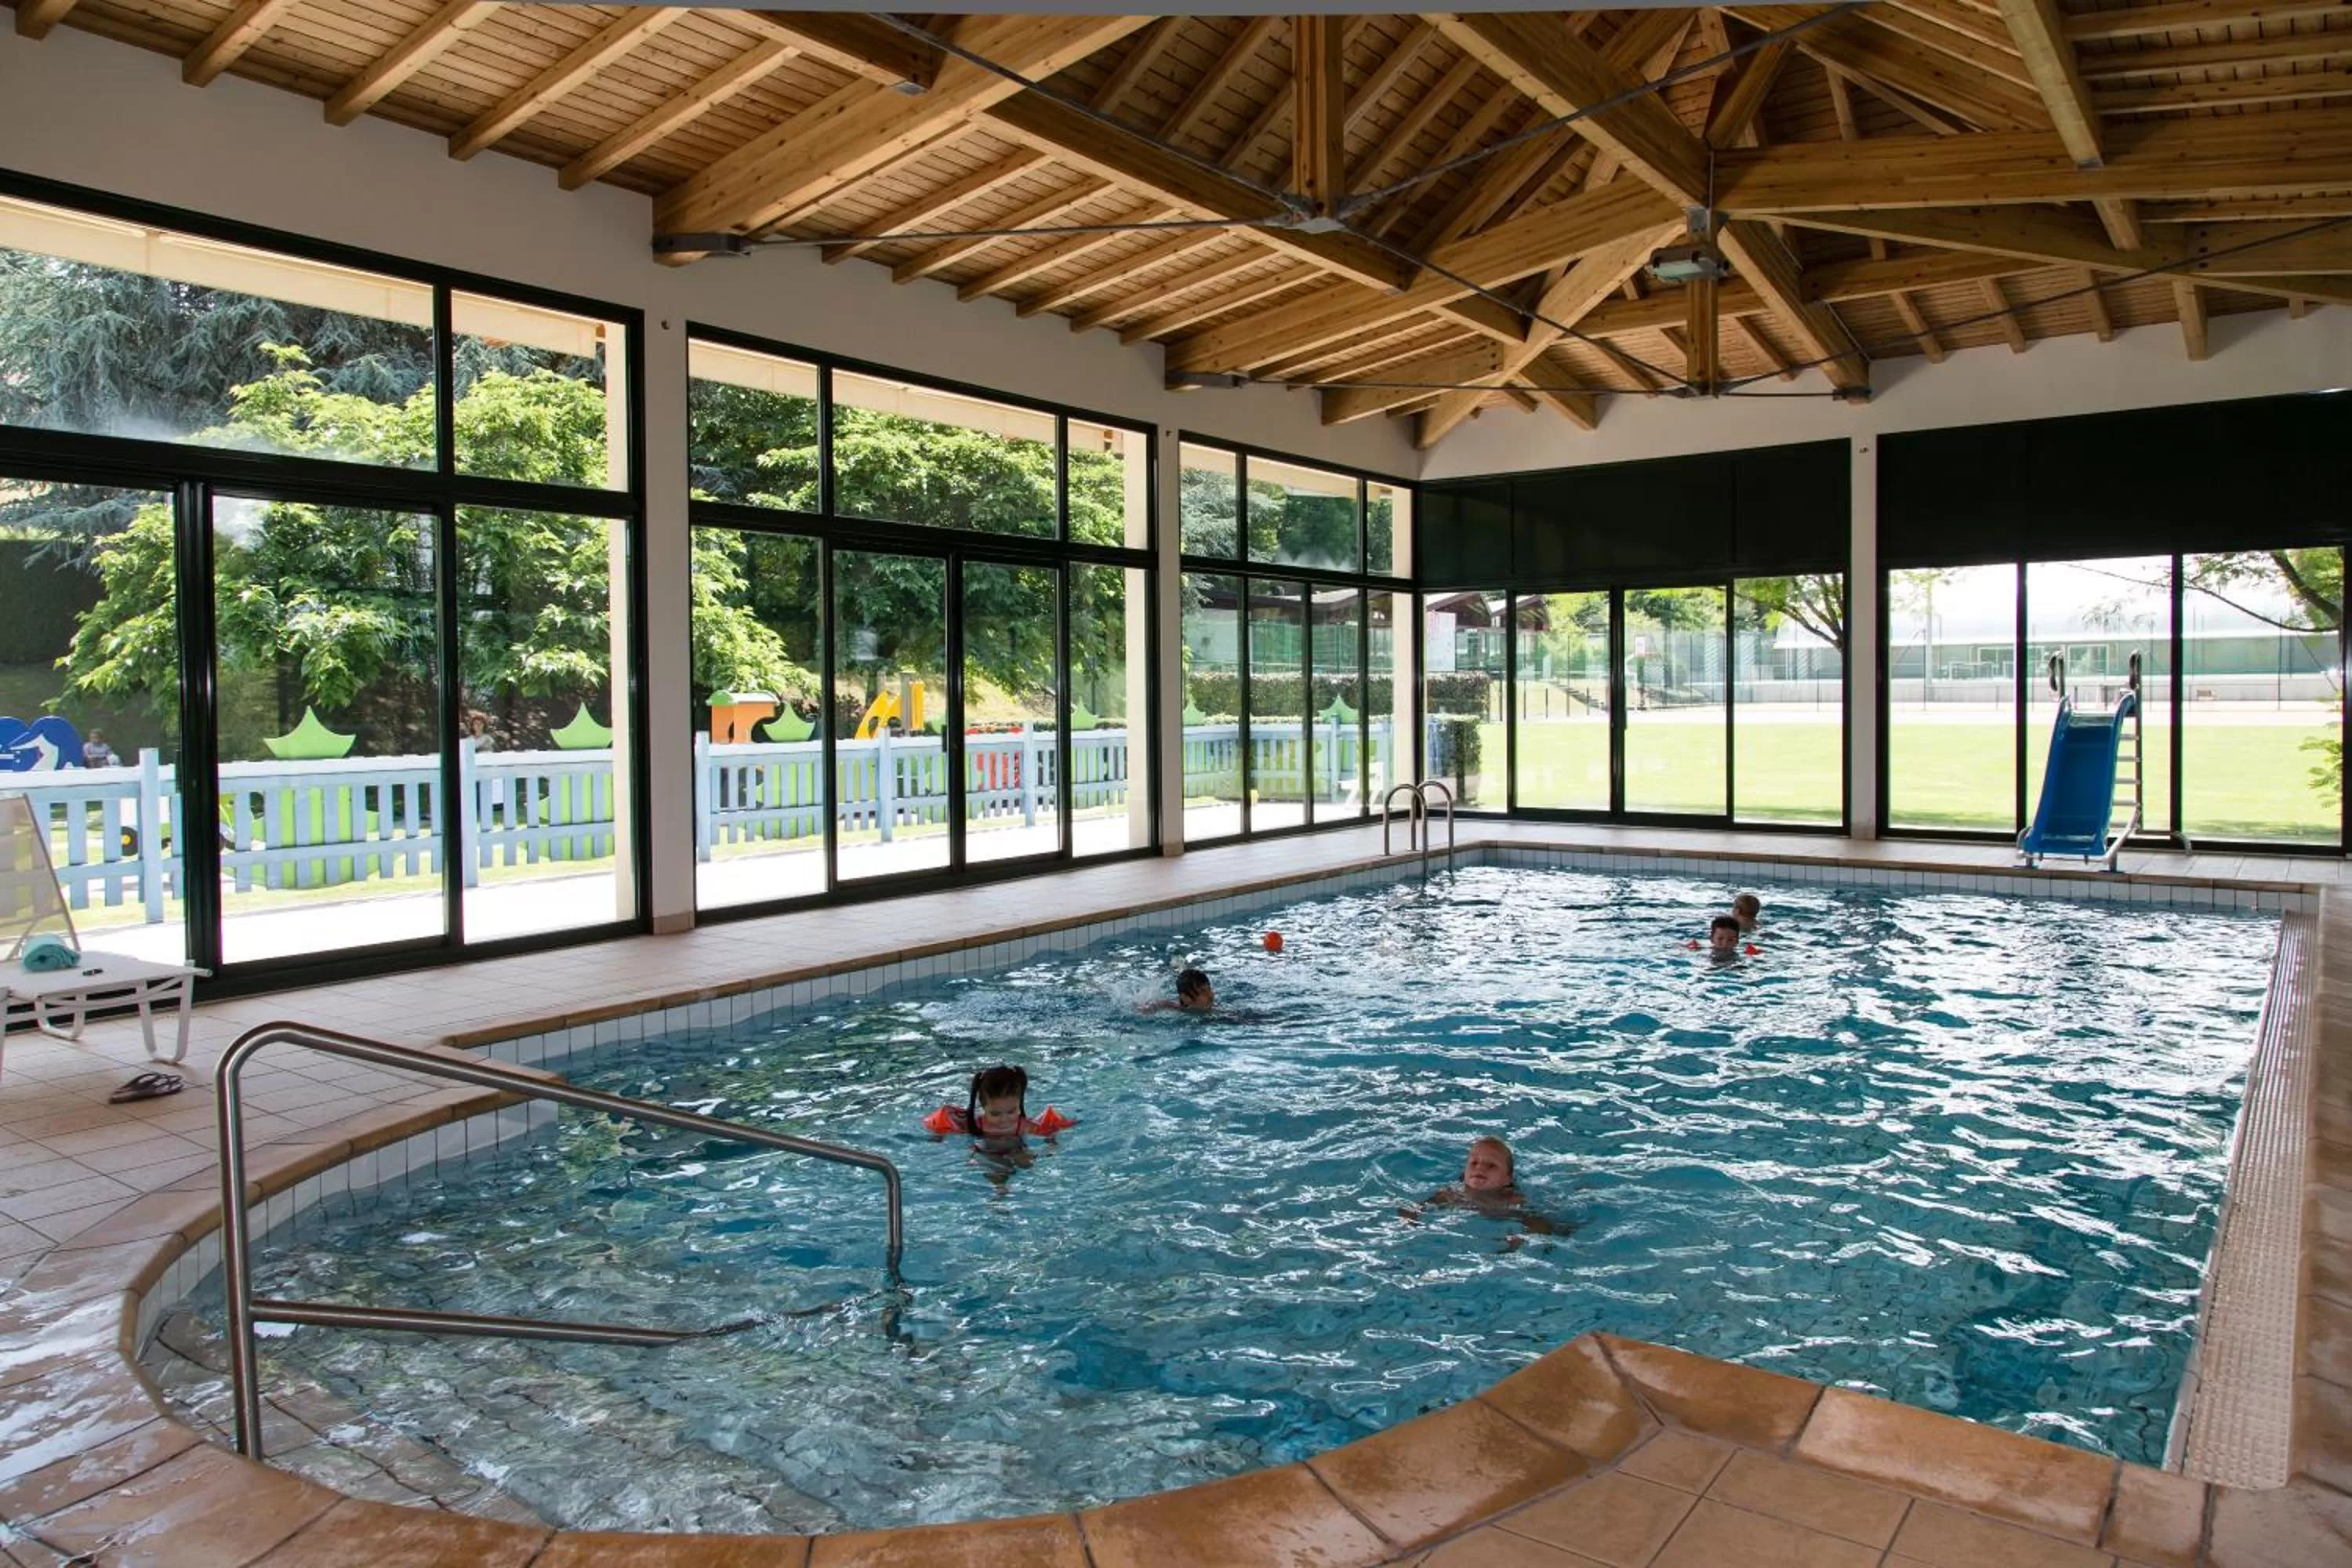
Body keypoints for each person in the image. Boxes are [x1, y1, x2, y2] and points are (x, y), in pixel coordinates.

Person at [1403, 1137, 1559, 1238]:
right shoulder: (1453, 1194)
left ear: (1508, 1178)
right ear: (1465, 1172)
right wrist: (1410, 1218)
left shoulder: (1513, 1201)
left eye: (1491, 1165)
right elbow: (1417, 1208)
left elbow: (1540, 1226)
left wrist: (1519, 1241)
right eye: (1474, 1163)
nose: (1480, 1169)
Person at [921, 1063, 1075, 1141]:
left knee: (1026, 1162)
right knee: (988, 1163)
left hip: (1016, 1149)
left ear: (1019, 1104)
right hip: (985, 1152)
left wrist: (1051, 1142)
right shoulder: (974, 1125)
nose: (1004, 1119)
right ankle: (1000, 1189)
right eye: (995, 1113)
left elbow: (1049, 1131)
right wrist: (939, 1136)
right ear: (983, 1107)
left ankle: (1002, 1191)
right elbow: (943, 1128)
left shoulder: (1024, 1126)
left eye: (1011, 1111)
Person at [1141, 967, 1215, 1014]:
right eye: (1202, 991)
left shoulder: (1216, 1013)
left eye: (1209, 989)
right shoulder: (1172, 1007)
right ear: (1185, 998)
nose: (1211, 995)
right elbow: (1158, 1004)